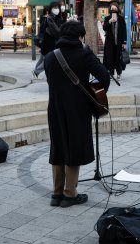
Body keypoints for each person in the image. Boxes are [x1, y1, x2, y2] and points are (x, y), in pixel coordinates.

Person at [43, 21, 110, 207]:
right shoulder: (84, 54)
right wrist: (94, 93)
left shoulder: (50, 57)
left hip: (55, 108)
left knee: (58, 146)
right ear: (80, 37)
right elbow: (104, 76)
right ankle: (70, 194)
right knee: (74, 147)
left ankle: (56, 194)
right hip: (78, 108)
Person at [33, 2, 64, 79]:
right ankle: (36, 72)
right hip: (49, 42)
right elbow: (57, 32)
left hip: (47, 42)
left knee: (42, 58)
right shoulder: (49, 18)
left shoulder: (56, 18)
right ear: (50, 9)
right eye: (54, 8)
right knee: (48, 60)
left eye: (57, 8)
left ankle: (35, 72)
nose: (56, 10)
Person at [102, 1, 126, 80]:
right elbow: (104, 28)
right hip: (109, 42)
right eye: (112, 8)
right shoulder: (107, 18)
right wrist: (109, 22)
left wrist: (124, 42)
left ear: (117, 9)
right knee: (109, 57)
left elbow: (124, 31)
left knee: (118, 58)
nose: (113, 10)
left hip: (118, 42)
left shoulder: (121, 19)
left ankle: (119, 72)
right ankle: (111, 73)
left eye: (115, 8)